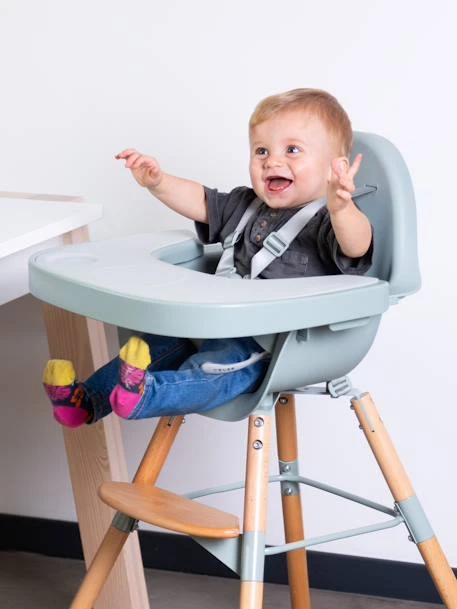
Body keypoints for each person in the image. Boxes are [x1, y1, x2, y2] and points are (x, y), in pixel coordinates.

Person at [42, 88, 373, 427]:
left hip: (270, 345)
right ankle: (87, 400)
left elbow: (356, 247)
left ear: (335, 168)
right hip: (214, 322)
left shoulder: (328, 220)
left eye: (292, 150)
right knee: (158, 344)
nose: (272, 161)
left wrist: (342, 208)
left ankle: (146, 395)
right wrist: (158, 182)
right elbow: (200, 200)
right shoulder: (245, 205)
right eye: (261, 150)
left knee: (216, 372)